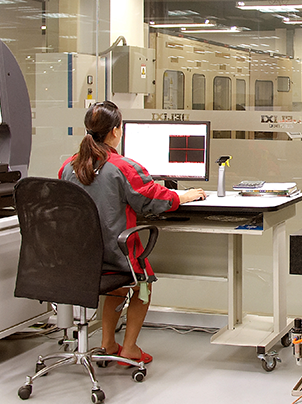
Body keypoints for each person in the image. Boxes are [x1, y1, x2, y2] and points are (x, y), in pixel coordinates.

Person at [58, 100, 206, 365]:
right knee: (142, 284)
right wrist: (183, 197)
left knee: (117, 287)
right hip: (115, 257)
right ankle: (129, 348)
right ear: (116, 131)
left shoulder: (68, 167)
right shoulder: (122, 167)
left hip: (78, 259)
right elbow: (150, 199)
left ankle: (107, 344)